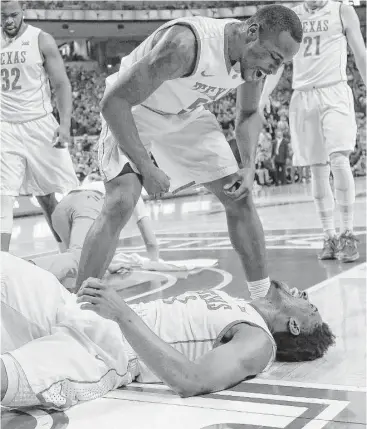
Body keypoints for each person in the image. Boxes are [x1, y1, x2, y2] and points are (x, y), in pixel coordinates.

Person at [75, 5, 303, 300]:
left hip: (187, 115)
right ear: (252, 32)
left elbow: (248, 113)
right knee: (121, 201)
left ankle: (264, 299)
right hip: (134, 110)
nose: (275, 69)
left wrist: (248, 166)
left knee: (240, 195)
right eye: (274, 57)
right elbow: (113, 104)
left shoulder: (256, 63)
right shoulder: (185, 46)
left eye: (282, 63)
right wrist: (147, 168)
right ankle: (78, 307)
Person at [0, 252, 335, 410]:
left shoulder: (259, 341)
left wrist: (122, 314)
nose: (306, 294)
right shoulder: (238, 304)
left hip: (109, 353)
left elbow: (193, 380)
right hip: (78, 311)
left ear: (295, 326)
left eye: (311, 307)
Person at [260, 0, 366, 262]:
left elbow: (360, 53)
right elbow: (280, 61)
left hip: (335, 90)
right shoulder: (291, 16)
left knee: (339, 161)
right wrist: (263, 96)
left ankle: (348, 233)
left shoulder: (342, 9)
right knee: (317, 170)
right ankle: (329, 235)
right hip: (303, 97)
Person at [0, 0, 79, 252]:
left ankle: (72, 251)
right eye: (3, 16)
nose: (9, 21)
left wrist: (65, 124)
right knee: (3, 197)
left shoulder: (40, 39)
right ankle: (3, 266)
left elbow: (61, 84)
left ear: (23, 11)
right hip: (5, 127)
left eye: (13, 15)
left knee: (53, 196)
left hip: (39, 124)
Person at [27, 173, 159, 288]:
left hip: (61, 208)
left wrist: (107, 265)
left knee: (78, 268)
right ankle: (24, 269)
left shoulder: (106, 183)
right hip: (87, 204)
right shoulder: (132, 190)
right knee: (78, 259)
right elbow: (150, 241)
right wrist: (155, 263)